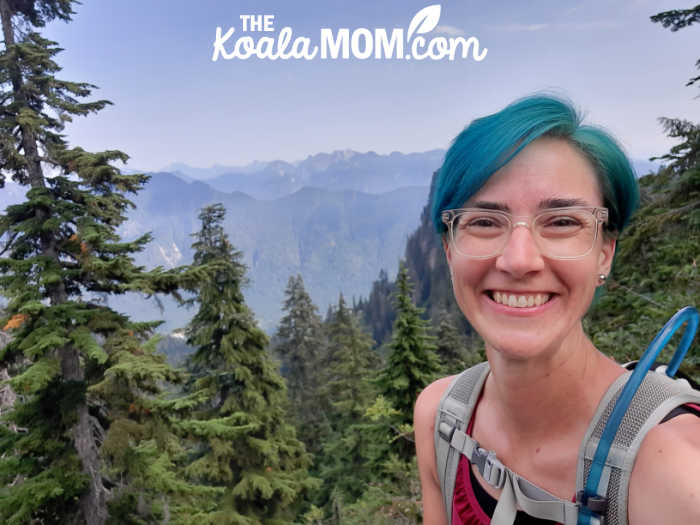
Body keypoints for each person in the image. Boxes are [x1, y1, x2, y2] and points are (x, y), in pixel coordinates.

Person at [414, 95, 700, 525]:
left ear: (605, 251)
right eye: (484, 221)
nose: (519, 260)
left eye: (563, 221)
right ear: (448, 249)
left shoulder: (675, 472)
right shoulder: (442, 419)